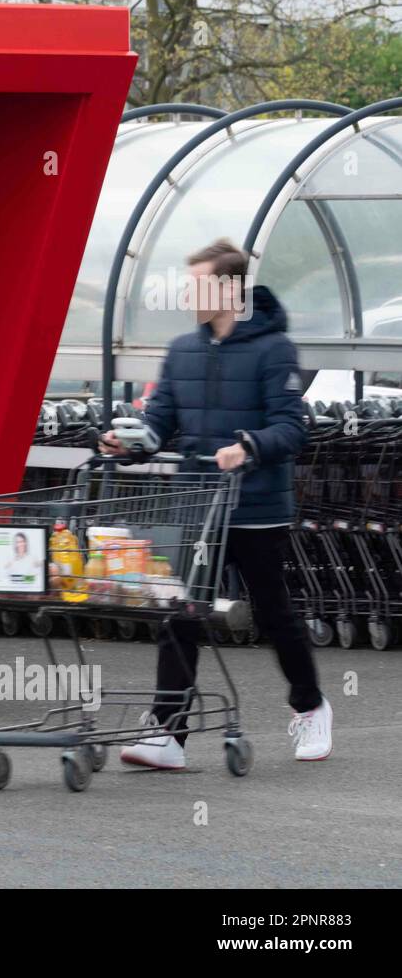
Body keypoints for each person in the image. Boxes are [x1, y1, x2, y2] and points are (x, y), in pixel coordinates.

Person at [101, 238, 331, 767]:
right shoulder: (183, 349)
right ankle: (168, 734)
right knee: (178, 614)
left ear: (229, 288)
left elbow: (292, 427)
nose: (187, 293)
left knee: (274, 614)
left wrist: (247, 447)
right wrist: (128, 442)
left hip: (255, 508)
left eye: (197, 282)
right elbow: (159, 424)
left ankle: (311, 706)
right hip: (197, 508)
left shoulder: (274, 350)